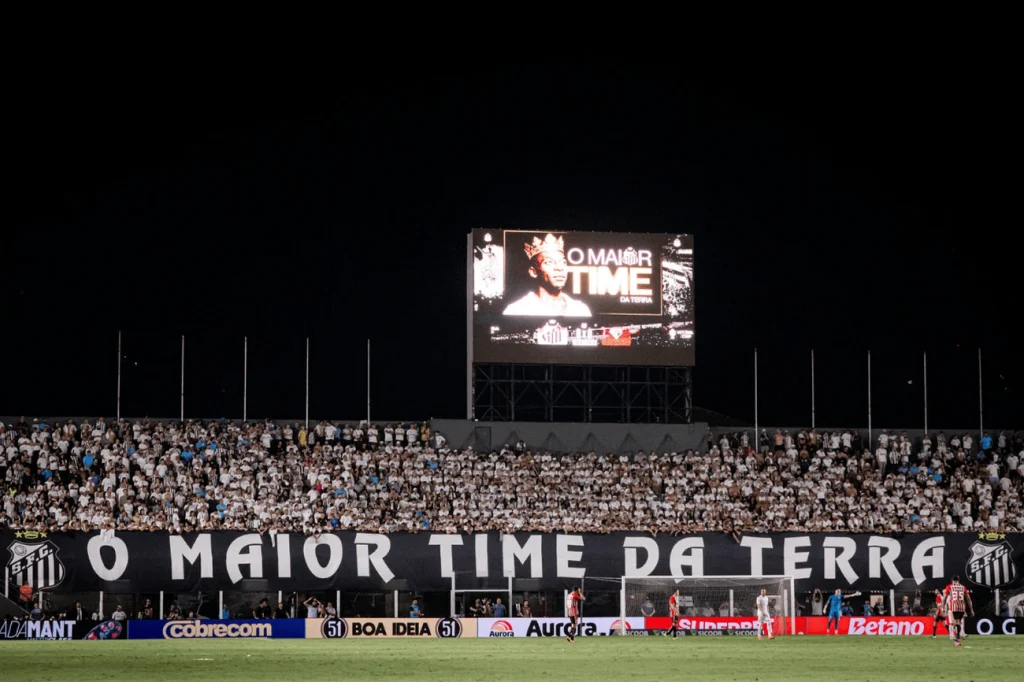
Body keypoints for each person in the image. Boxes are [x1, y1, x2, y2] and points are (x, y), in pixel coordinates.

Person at [502, 234, 592, 317]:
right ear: (533, 272)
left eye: (563, 262)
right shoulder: (517, 310)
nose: (559, 268)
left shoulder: (581, 310)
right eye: (549, 262)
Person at [942, 575, 974, 646]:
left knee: (954, 623)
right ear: (959, 580)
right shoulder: (963, 587)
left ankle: (956, 639)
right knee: (959, 623)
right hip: (962, 608)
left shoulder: (949, 587)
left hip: (953, 608)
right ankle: (958, 637)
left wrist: (943, 608)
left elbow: (944, 598)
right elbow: (968, 599)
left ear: (952, 580)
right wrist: (971, 610)